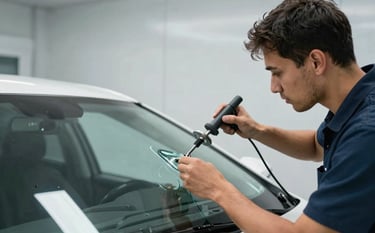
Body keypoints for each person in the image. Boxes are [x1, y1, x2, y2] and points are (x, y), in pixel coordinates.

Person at [177, 0, 375, 232]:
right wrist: (256, 130)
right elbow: (316, 146)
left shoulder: (367, 133)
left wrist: (218, 189)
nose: (274, 87)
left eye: (277, 72)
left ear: (316, 62)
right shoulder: (359, 102)